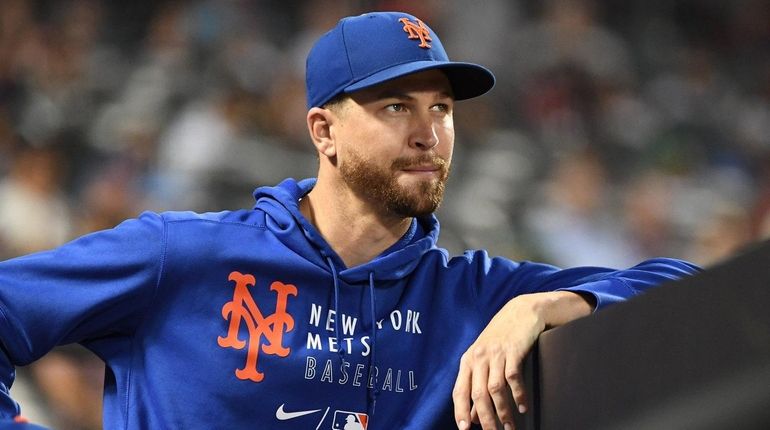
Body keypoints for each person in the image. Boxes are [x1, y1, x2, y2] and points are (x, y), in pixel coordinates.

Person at [0, 11, 698, 430]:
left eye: (442, 108)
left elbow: (695, 294)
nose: (430, 133)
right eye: (396, 106)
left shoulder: (475, 296)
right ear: (323, 131)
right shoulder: (178, 257)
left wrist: (550, 304)